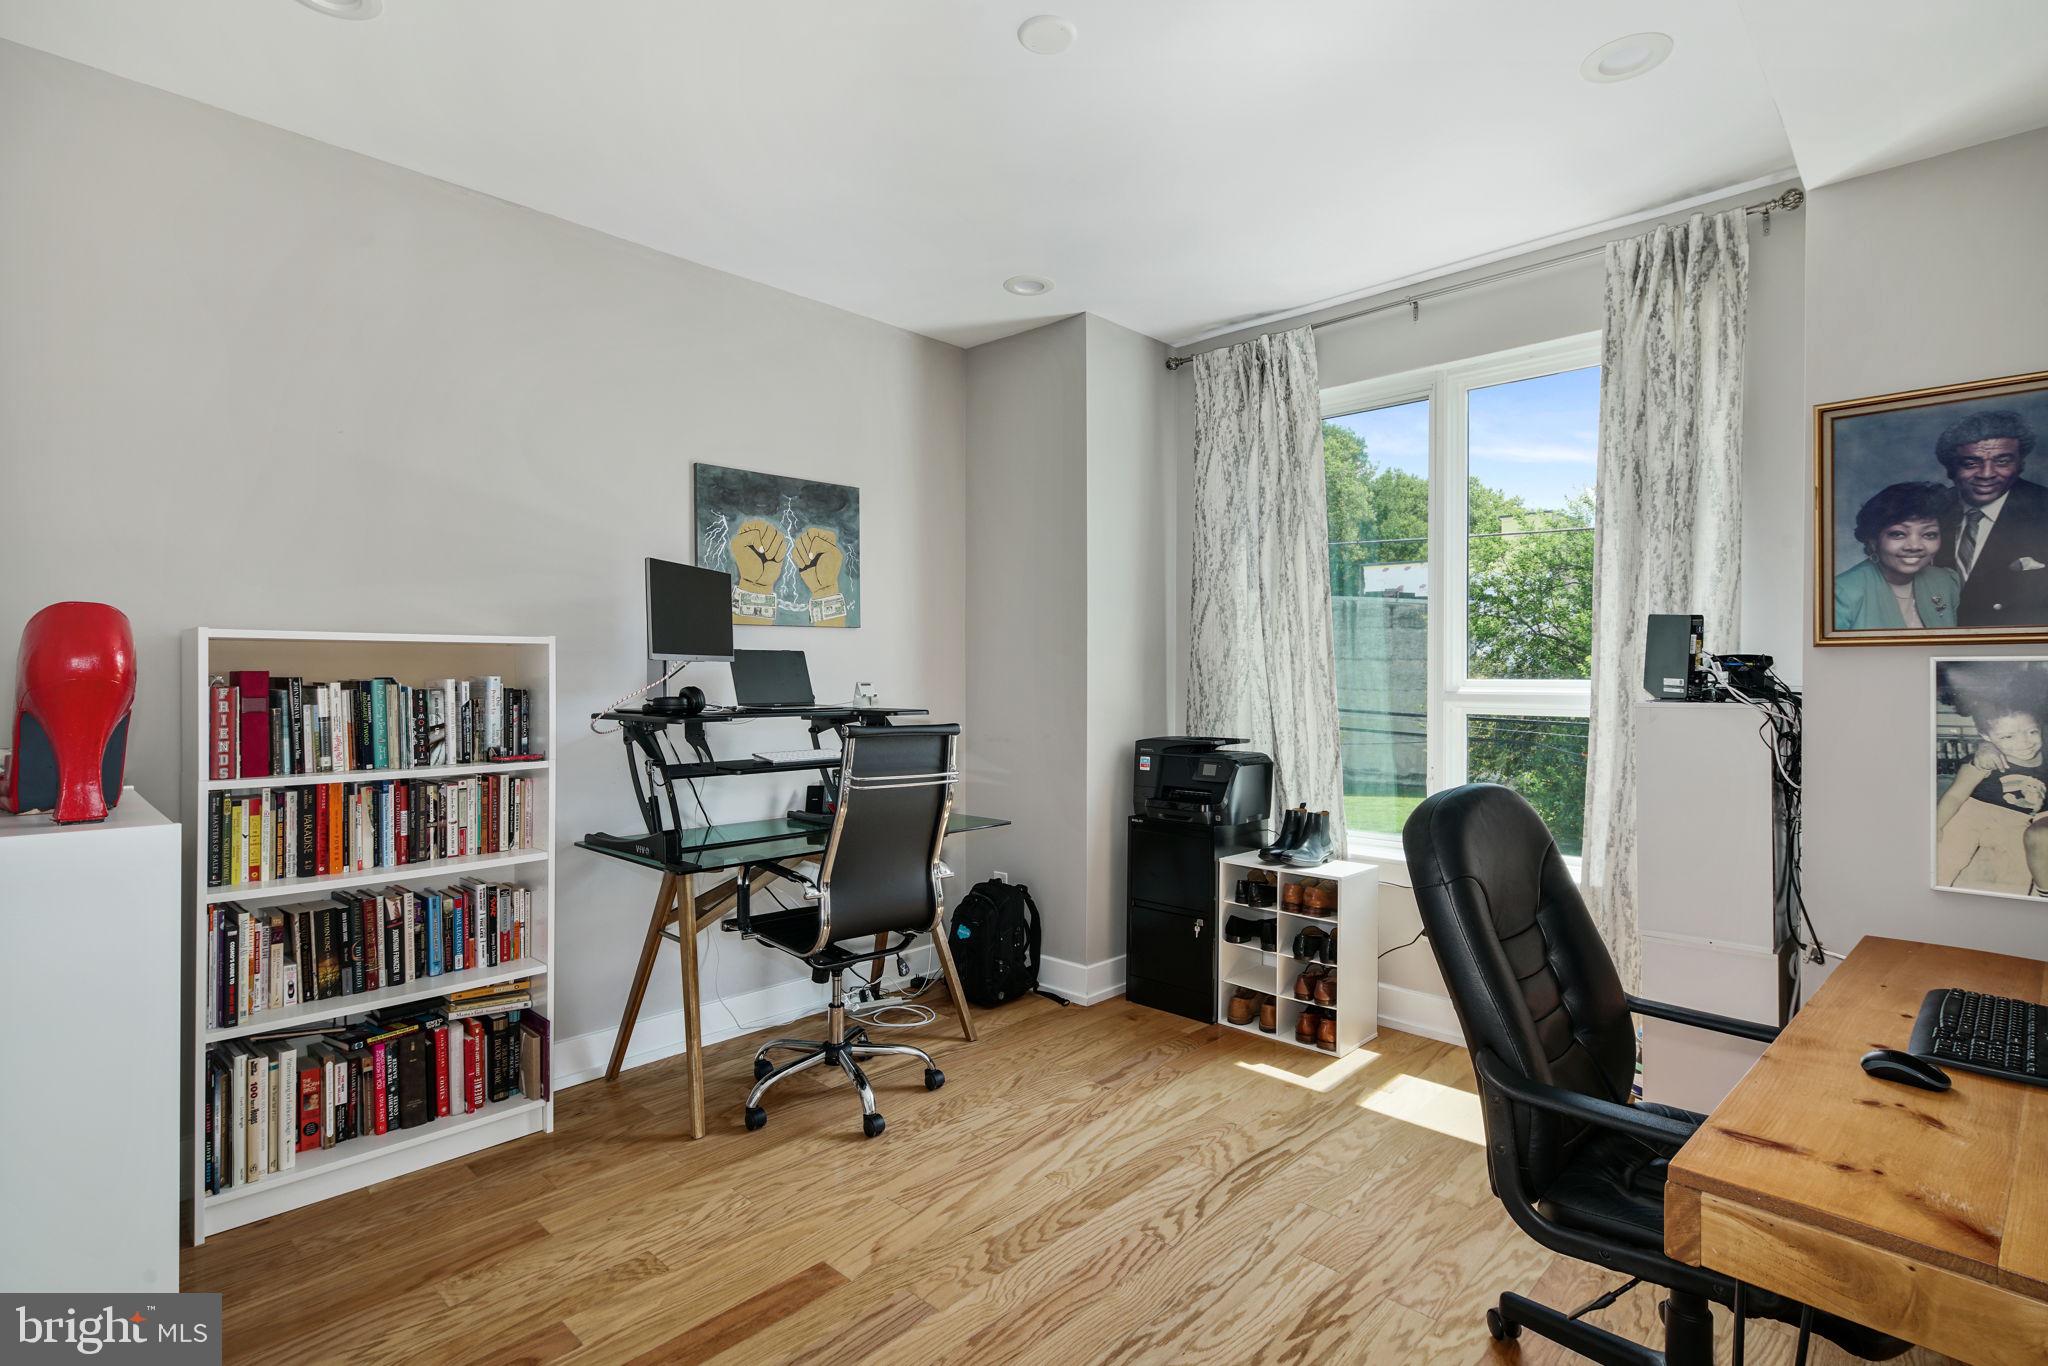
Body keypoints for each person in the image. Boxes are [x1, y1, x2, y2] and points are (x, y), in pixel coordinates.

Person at [1932, 410, 2048, 627]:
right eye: (1971, 463)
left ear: (2020, 465)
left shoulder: (2044, 509)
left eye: (2002, 461)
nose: (1987, 474)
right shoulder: (1929, 510)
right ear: (1950, 469)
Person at [1936, 695, 2048, 894]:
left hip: (2018, 822)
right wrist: (1936, 826)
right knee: (1946, 859)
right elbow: (1955, 796)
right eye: (2008, 737)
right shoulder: (1987, 759)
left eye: (2032, 732)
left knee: (2018, 872)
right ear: (1986, 737)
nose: (2024, 742)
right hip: (1973, 815)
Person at [1833, 482, 1962, 631]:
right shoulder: (1841, 593)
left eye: (1929, 534)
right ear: (1873, 540)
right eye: (1898, 534)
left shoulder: (1946, 581)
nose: (1914, 546)